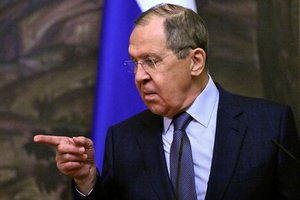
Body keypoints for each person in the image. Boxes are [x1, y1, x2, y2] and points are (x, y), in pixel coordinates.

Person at [34, 3, 300, 200]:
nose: (139, 76)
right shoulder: (123, 138)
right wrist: (87, 180)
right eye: (135, 63)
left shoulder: (269, 127)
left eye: (151, 61)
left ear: (195, 61)